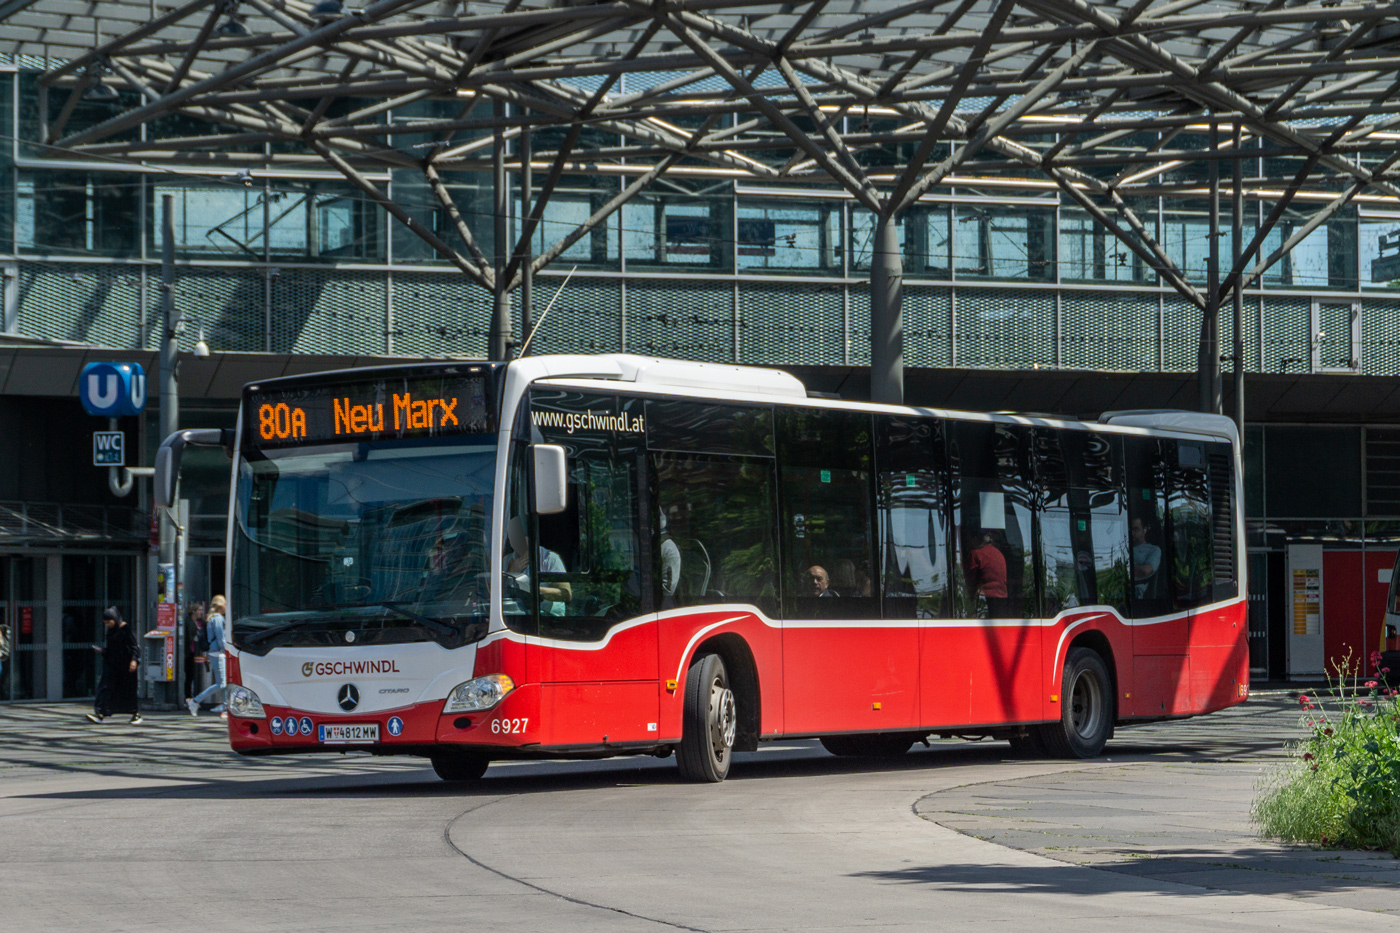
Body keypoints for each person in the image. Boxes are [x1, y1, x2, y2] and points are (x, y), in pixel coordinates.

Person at [505, 517, 571, 615]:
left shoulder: (550, 559)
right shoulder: (506, 561)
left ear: (530, 538)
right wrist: (510, 574)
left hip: (547, 618)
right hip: (516, 616)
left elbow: (566, 594)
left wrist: (534, 591)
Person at [88, 607, 140, 725]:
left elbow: (133, 646)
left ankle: (134, 713)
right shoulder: (111, 631)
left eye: (108, 622)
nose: (107, 624)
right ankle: (101, 713)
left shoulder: (125, 629)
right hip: (112, 665)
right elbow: (112, 649)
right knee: (106, 688)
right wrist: (102, 651)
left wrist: (134, 660)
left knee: (127, 690)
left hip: (125, 667)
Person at [188, 595, 227, 717]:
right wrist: (225, 650)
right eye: (225, 604)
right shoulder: (218, 619)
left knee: (224, 680)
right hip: (218, 652)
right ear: (221, 606)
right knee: (222, 683)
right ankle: (195, 701)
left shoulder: (211, 618)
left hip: (213, 651)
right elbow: (221, 638)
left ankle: (225, 706)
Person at [966, 530, 1010, 618]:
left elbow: (971, 581)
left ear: (975, 539)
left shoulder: (976, 554)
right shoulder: (998, 553)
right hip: (1003, 598)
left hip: (986, 599)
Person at [1131, 518, 1162, 599]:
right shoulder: (1122, 547)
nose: (1132, 533)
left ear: (1144, 530)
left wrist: (1125, 567)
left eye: (1135, 529)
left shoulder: (1154, 550)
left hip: (1135, 591)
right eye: (1130, 529)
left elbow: (1146, 570)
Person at [184, 601, 207, 703]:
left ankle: (198, 695)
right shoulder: (188, 622)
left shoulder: (201, 622)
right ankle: (188, 696)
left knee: (198, 674)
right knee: (190, 674)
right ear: (194, 611)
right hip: (190, 652)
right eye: (199, 610)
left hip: (199, 651)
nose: (201, 612)